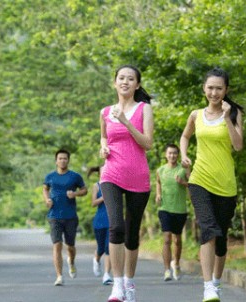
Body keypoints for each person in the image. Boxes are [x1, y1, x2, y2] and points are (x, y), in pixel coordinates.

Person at [180, 67, 244, 302]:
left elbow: (238, 146)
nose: (214, 92)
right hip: (199, 180)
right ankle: (208, 287)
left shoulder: (234, 114)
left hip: (225, 184)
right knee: (208, 229)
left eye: (219, 88)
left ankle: (216, 282)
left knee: (221, 236)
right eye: (210, 88)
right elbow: (185, 136)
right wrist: (185, 155)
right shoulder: (196, 115)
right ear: (204, 89)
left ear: (226, 90)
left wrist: (227, 118)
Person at [99, 65, 154, 302]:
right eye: (121, 78)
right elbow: (104, 136)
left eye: (130, 79)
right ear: (115, 83)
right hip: (111, 174)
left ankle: (130, 282)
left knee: (132, 234)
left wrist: (126, 123)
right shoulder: (105, 112)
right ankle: (117, 285)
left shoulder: (145, 109)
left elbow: (148, 143)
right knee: (116, 227)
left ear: (137, 85)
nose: (125, 82)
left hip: (138, 177)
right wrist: (102, 146)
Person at [43, 149, 88, 286]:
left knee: (70, 246)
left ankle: (71, 261)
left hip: (70, 216)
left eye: (65, 158)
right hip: (54, 215)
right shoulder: (50, 176)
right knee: (57, 245)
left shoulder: (74, 176)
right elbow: (45, 188)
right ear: (56, 160)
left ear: (68, 160)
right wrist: (47, 200)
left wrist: (75, 194)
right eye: (60, 158)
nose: (62, 160)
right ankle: (59, 276)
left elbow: (84, 190)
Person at [155, 143, 190, 281]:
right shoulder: (161, 170)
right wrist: (158, 194)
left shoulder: (184, 169)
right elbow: (158, 182)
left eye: (175, 153)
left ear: (178, 155)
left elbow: (193, 183)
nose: (172, 155)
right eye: (170, 153)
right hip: (164, 208)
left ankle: (176, 263)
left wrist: (183, 183)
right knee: (167, 238)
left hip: (180, 209)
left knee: (177, 239)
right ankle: (167, 270)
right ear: (166, 154)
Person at [88, 166, 113, 285]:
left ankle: (107, 274)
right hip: (100, 221)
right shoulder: (96, 186)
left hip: (112, 220)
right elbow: (93, 203)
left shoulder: (114, 185)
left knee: (109, 247)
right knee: (101, 248)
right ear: (99, 173)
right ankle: (96, 259)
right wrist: (103, 197)